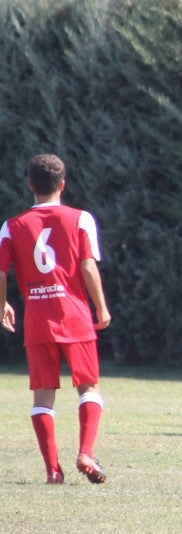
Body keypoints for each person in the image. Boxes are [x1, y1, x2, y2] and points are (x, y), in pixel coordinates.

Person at [0, 153, 111, 484]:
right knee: (89, 388)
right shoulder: (80, 219)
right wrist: (101, 306)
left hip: (37, 319)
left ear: (30, 185)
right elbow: (88, 265)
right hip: (74, 316)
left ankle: (52, 471)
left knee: (43, 396)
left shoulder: (12, 226)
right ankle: (86, 453)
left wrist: (3, 303)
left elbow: (0, 270)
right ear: (63, 185)